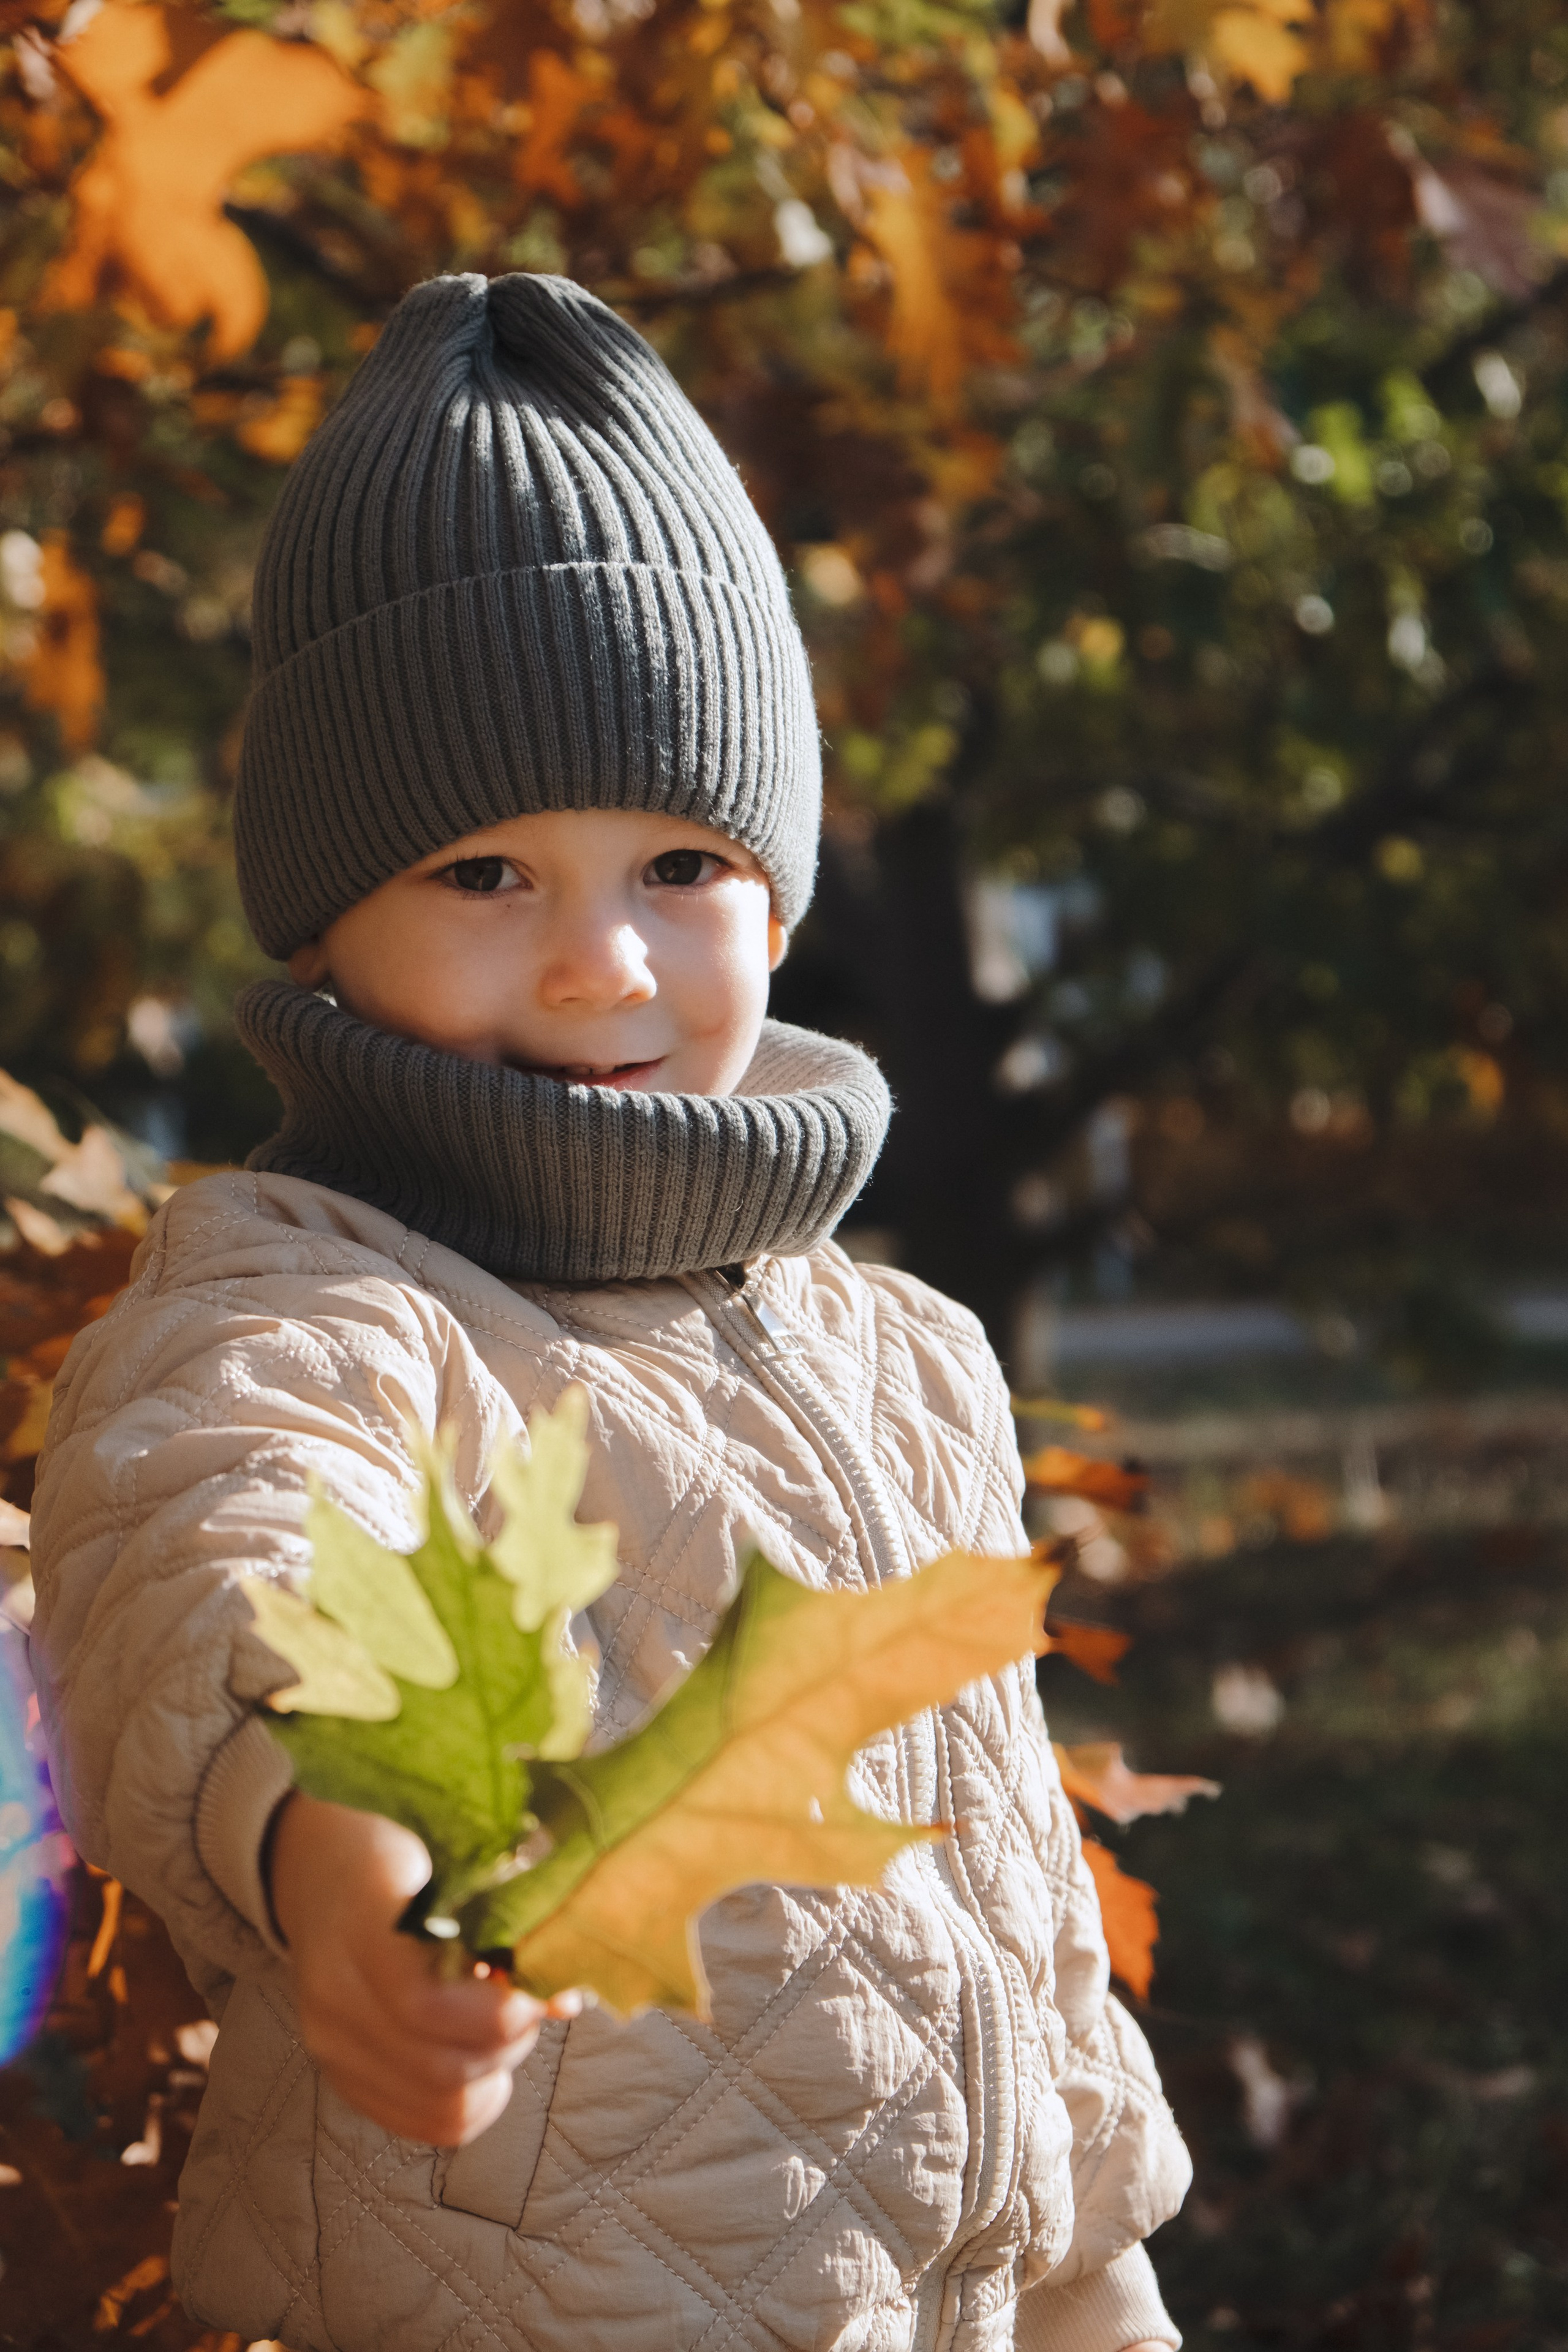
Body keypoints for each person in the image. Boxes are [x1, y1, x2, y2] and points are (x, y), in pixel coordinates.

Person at [29, 273, 1191, 2352]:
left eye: (679, 863)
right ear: (323, 918)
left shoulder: (905, 1357)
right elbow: (222, 1539)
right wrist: (334, 1841)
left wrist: (1107, 2284)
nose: (597, 968)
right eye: (484, 877)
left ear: (782, 895)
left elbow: (1026, 1934)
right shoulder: (315, 1298)